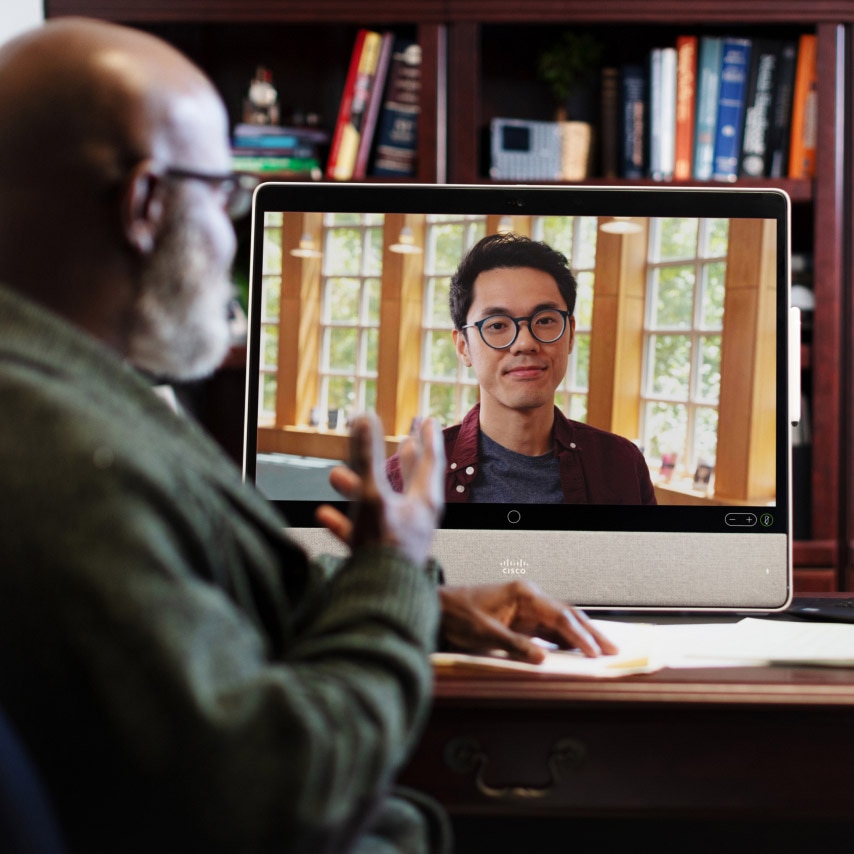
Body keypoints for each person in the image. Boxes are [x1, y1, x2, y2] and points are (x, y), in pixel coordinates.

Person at [0, 18, 614, 854]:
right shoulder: (65, 460)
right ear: (145, 205)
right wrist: (393, 571)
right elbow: (270, 789)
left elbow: (200, 615)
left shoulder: (64, 399)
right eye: (222, 198)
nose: (231, 240)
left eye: (546, 321)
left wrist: (423, 606)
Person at [387, 233, 657, 505]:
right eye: (497, 325)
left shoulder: (622, 466)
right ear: (463, 347)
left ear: (571, 334)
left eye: (546, 320)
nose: (525, 343)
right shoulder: (403, 479)